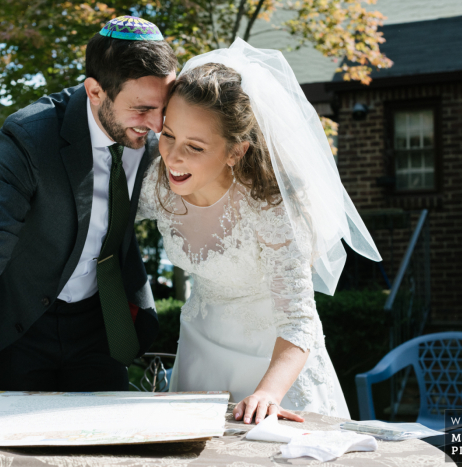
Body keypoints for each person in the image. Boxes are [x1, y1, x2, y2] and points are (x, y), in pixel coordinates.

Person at [0, 16, 176, 438]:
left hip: (102, 322)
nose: (157, 126)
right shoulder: (30, 136)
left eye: (164, 109)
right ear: (95, 91)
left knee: (108, 446)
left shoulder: (159, 135)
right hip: (21, 328)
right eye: (142, 110)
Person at [136, 39, 383, 425]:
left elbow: (299, 321)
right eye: (168, 135)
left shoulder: (270, 210)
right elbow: (103, 219)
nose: (173, 156)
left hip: (275, 366)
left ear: (236, 151)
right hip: (201, 353)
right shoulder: (160, 184)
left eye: (195, 147)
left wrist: (268, 392)